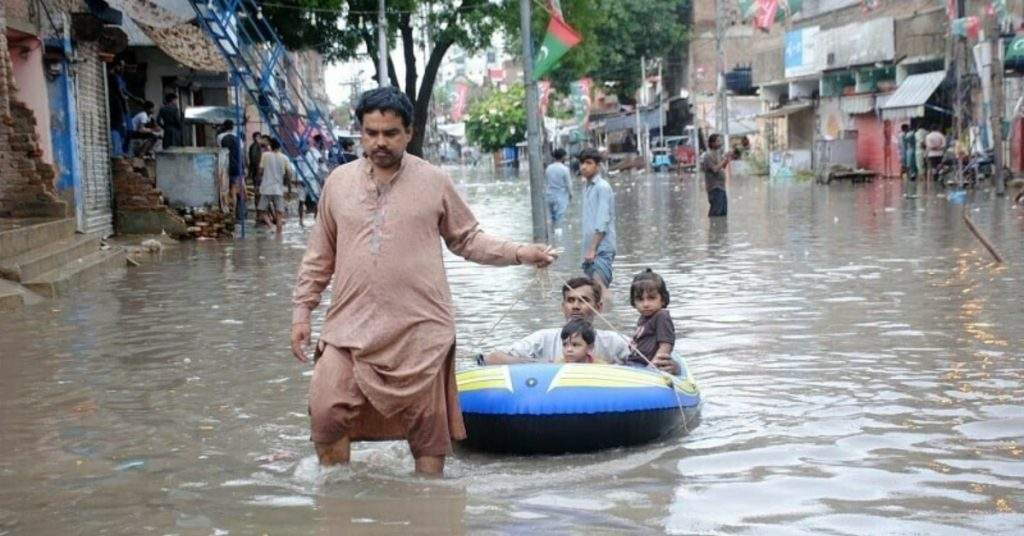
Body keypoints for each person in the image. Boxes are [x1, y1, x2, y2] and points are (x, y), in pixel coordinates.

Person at [290, 86, 556, 476]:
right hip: (349, 327)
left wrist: (520, 253)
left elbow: (468, 239)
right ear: (360, 132)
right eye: (371, 133)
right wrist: (302, 311)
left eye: (390, 133)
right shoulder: (338, 183)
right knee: (326, 411)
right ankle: (338, 498)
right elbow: (319, 256)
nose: (380, 142)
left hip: (420, 330)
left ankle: (429, 502)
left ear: (409, 132)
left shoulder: (434, 181)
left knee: (428, 433)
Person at [484, 276, 680, 374]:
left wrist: (674, 367)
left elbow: (647, 361)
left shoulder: (613, 341)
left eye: (584, 300)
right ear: (563, 307)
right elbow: (493, 358)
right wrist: (545, 367)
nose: (576, 306)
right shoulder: (543, 338)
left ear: (599, 307)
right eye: (570, 301)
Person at [578, 147, 616, 291]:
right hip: (590, 249)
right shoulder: (588, 187)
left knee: (599, 289)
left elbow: (602, 221)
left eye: (588, 163)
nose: (584, 167)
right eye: (582, 163)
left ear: (598, 166)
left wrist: (592, 249)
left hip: (601, 249)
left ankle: (611, 307)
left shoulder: (602, 187)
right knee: (593, 292)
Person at [628, 269, 675, 368]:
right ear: (633, 301)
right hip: (635, 363)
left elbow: (665, 346)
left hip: (648, 366)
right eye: (640, 299)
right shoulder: (644, 317)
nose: (645, 304)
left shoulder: (662, 316)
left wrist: (651, 368)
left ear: (663, 299)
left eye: (651, 298)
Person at [258, 137, 293, 231]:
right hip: (278, 189)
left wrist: (258, 182)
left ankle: (271, 226)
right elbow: (289, 174)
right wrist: (289, 189)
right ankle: (279, 233)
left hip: (266, 188)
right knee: (279, 213)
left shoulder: (265, 155)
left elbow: (260, 171)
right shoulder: (284, 158)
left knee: (261, 210)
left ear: (270, 146)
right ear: (279, 146)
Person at [700, 133, 733, 217]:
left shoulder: (718, 154)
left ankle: (719, 225)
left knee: (723, 213)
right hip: (714, 188)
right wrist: (724, 160)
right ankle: (713, 225)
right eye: (718, 141)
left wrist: (727, 158)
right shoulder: (707, 156)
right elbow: (715, 169)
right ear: (712, 143)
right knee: (716, 212)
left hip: (721, 187)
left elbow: (723, 166)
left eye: (720, 141)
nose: (720, 143)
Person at [217, 120, 245, 219]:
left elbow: (220, 150)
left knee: (224, 190)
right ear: (232, 127)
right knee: (235, 190)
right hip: (236, 166)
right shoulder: (238, 138)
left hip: (224, 166)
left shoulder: (220, 137)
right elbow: (241, 153)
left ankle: (227, 211)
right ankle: (235, 212)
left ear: (224, 126)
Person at [545, 148, 572, 233]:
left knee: (552, 218)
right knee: (559, 218)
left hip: (549, 196)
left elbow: (547, 182)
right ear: (563, 157)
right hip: (561, 197)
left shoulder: (549, 168)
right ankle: (558, 238)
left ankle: (552, 234)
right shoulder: (564, 169)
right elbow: (568, 184)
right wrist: (571, 194)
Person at [247, 132, 264, 214]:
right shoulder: (255, 146)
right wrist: (257, 169)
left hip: (257, 171)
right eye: (259, 137)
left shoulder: (257, 146)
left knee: (259, 190)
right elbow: (254, 160)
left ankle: (259, 209)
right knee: (258, 190)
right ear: (255, 138)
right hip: (257, 171)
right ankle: (259, 209)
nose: (260, 139)